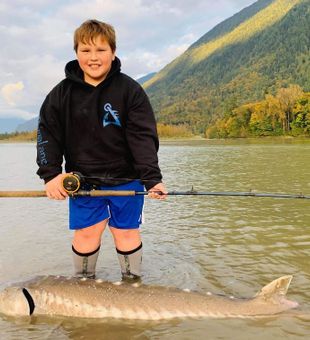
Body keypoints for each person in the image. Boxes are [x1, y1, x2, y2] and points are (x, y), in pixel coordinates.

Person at [36, 19, 166, 281]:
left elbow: (143, 137)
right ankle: (83, 286)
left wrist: (152, 179)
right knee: (86, 232)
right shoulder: (60, 95)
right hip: (83, 182)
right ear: (76, 53)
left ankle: (133, 286)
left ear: (113, 52)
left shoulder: (130, 91)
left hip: (126, 180)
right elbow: (47, 136)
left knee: (126, 232)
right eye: (85, 50)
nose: (93, 58)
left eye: (101, 50)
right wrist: (51, 175)